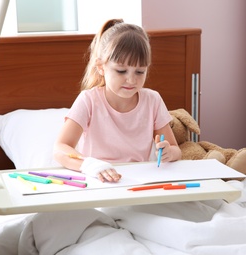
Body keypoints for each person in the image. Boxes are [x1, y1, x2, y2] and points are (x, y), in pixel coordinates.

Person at [53, 19, 182, 182]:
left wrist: (169, 153)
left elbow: (176, 149)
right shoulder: (89, 101)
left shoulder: (153, 100)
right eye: (121, 71)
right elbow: (60, 148)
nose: (131, 80)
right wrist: (89, 165)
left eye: (140, 72)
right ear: (101, 67)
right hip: (99, 180)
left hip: (139, 181)